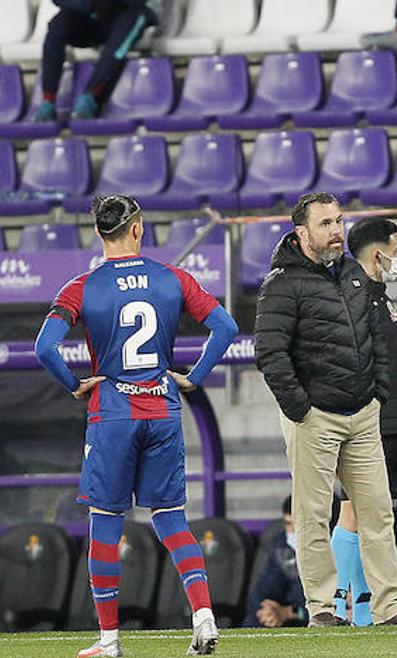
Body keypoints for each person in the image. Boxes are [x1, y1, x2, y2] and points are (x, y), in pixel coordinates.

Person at [33, 195, 239, 657]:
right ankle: (203, 617)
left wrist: (75, 384)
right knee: (171, 519)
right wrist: (195, 377)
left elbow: (45, 348)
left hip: (112, 413)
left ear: (100, 232)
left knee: (105, 523)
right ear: (139, 228)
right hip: (162, 408)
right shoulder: (173, 278)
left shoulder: (81, 287)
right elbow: (225, 326)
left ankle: (109, 640)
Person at [254, 192, 397, 627]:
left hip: (362, 413)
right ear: (302, 232)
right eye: (326, 223)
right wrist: (301, 407)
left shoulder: (351, 274)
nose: (336, 231)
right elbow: (270, 353)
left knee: (379, 511)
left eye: (339, 221)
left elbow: (375, 338)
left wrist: (378, 394)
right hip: (315, 417)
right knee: (312, 516)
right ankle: (323, 610)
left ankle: (390, 606)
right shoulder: (282, 284)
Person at [330, 217, 397, 626]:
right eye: (396, 247)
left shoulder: (377, 296)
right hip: (370, 420)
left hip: (386, 419)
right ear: (377, 251)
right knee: (355, 512)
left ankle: (361, 610)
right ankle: (338, 607)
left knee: (364, 512)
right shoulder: (357, 298)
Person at [244, 496, 308, 628]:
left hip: (309, 617)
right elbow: (263, 589)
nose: (293, 531)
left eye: (298, 524)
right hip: (284, 617)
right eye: (288, 524)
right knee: (254, 621)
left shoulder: (335, 548)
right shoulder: (282, 546)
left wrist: (290, 612)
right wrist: (268, 611)